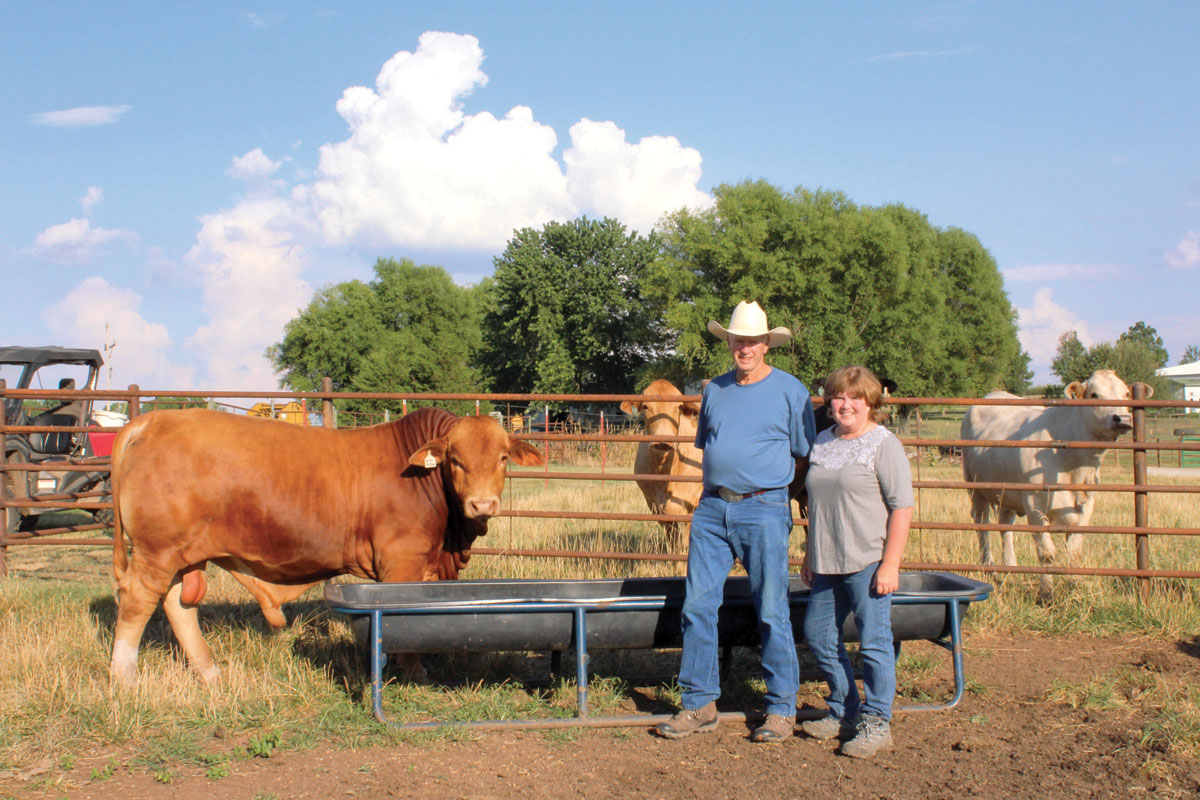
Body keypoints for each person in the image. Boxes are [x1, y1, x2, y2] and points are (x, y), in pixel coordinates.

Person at [656, 300, 816, 744]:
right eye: (737, 341)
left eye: (752, 341)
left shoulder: (790, 390)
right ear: (728, 343)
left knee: (771, 608)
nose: (744, 348)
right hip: (711, 508)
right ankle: (698, 703)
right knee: (698, 606)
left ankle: (782, 707)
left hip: (763, 507)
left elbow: (804, 453)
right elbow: (710, 442)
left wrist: (780, 495)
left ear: (767, 344)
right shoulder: (715, 390)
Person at [799, 365, 913, 758]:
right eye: (839, 397)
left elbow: (902, 507)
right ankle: (845, 709)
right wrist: (810, 553)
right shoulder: (822, 442)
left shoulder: (884, 444)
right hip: (826, 561)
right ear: (829, 401)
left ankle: (877, 721)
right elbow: (815, 503)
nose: (845, 405)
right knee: (817, 634)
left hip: (867, 559)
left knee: (874, 643)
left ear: (871, 403)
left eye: (855, 398)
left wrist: (891, 563)